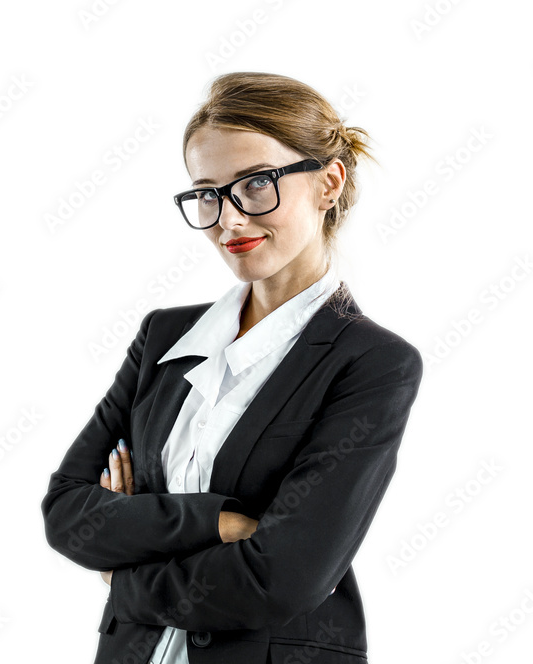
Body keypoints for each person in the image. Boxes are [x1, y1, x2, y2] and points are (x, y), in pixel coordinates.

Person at [40, 71, 424, 664]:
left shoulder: (373, 363)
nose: (229, 219)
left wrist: (125, 575)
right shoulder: (164, 337)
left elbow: (284, 577)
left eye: (256, 184)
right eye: (208, 193)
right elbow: (67, 513)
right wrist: (219, 522)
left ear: (328, 182)